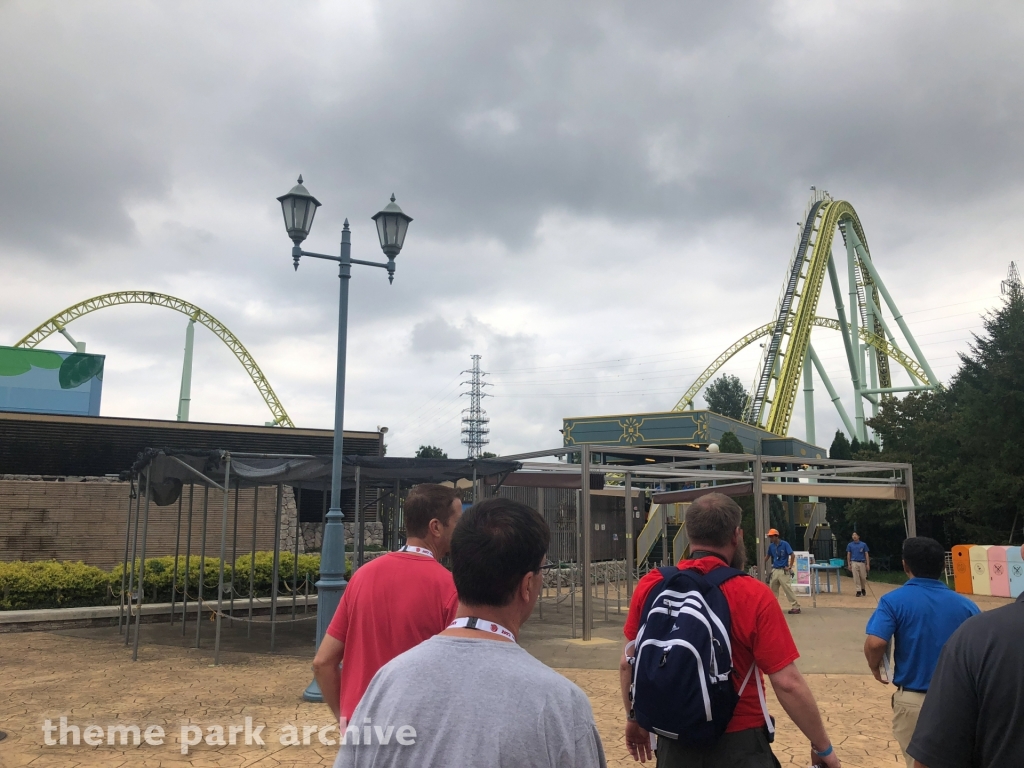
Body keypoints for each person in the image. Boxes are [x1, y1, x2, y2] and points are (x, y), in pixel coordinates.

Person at [333, 497, 606, 768]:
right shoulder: (562, 704)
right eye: (542, 569)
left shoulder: (385, 682)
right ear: (527, 585)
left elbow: (324, 661)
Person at [621, 493, 841, 768]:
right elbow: (787, 683)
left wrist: (634, 718)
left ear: (689, 533)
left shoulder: (652, 584)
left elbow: (627, 662)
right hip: (739, 742)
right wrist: (822, 746)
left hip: (674, 740)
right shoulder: (753, 594)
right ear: (736, 535)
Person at [312, 483, 462, 726]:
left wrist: (345, 718)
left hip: (361, 728)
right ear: (435, 527)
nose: (461, 530)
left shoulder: (362, 576)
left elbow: (322, 662)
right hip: (416, 730)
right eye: (458, 522)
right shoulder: (450, 588)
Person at [862, 537, 979, 768]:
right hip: (958, 702)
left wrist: (876, 666)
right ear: (943, 566)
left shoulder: (892, 601)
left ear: (905, 565)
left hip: (914, 699)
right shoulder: (968, 606)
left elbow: (875, 643)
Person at [765, 528, 801, 614]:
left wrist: (790, 567)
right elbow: (767, 556)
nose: (770, 538)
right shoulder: (771, 546)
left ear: (776, 536)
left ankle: (796, 606)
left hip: (783, 571)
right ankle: (773, 607)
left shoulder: (785, 544)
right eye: (770, 537)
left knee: (787, 589)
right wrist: (759, 565)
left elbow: (792, 555)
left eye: (771, 536)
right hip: (775, 570)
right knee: (772, 590)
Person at [846, 532, 870, 596]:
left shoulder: (863, 544)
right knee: (856, 577)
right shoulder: (850, 545)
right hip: (854, 562)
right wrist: (849, 564)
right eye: (853, 535)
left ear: (859, 536)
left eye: (856, 535)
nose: (854, 536)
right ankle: (858, 590)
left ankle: (863, 588)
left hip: (862, 562)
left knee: (863, 577)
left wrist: (867, 564)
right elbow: (848, 554)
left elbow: (866, 554)